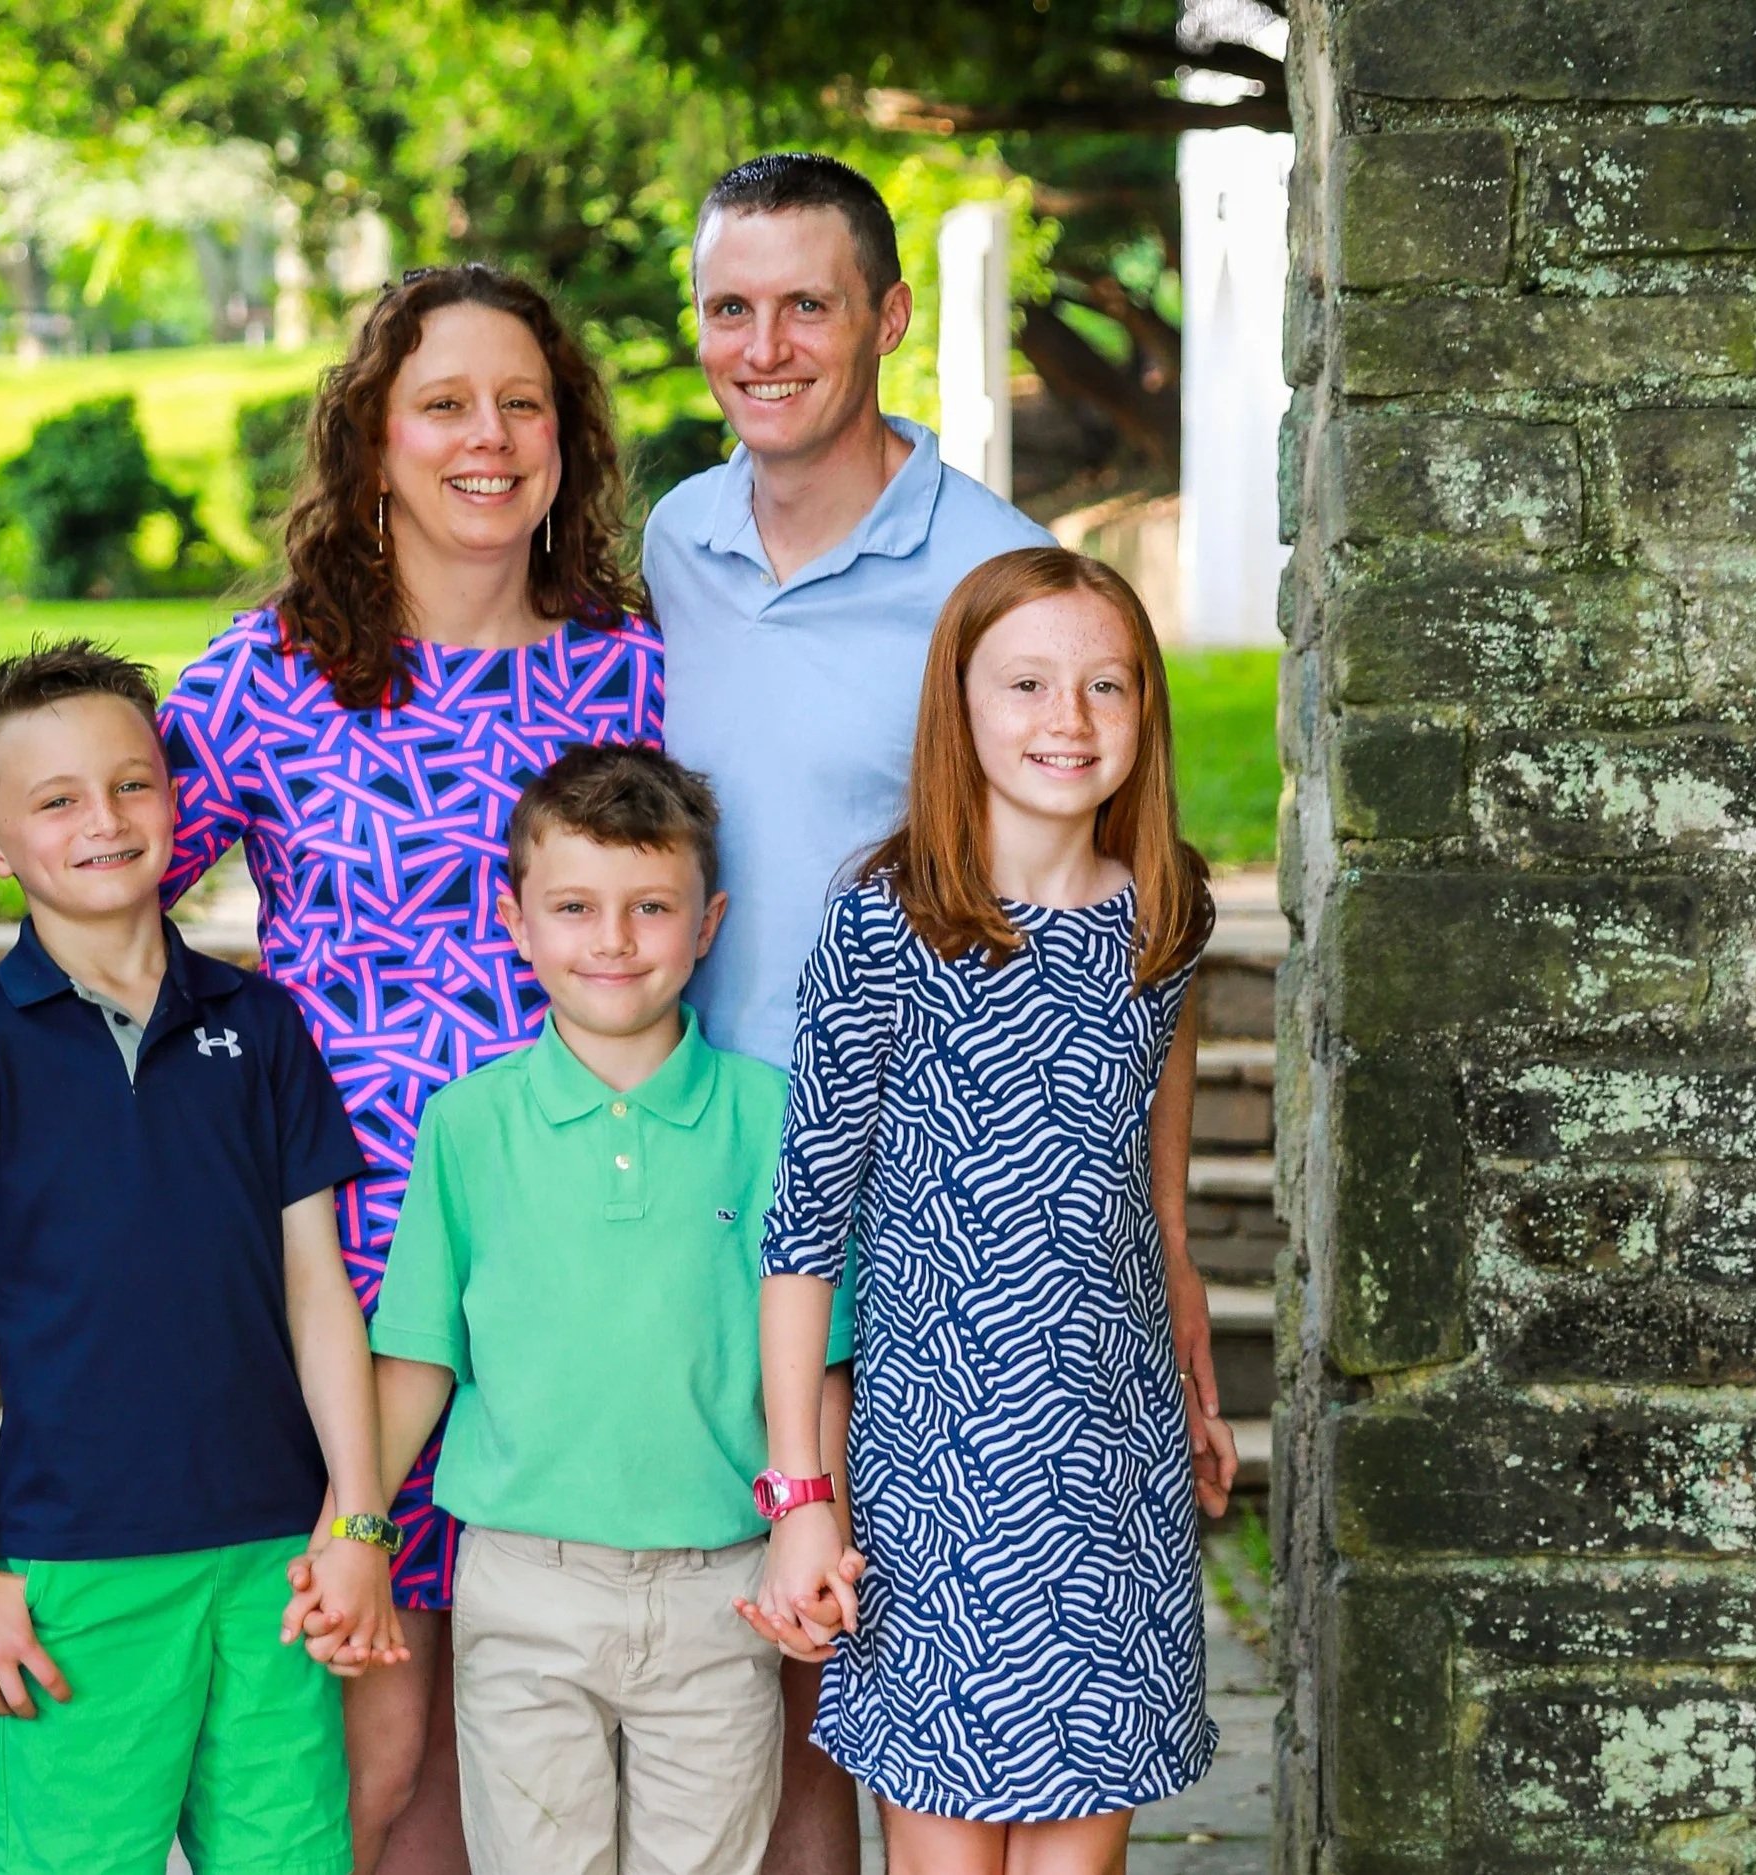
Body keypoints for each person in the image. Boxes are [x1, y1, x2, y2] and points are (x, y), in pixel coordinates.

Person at [0, 264, 661, 1873]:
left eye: (523, 403)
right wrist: (10, 1217)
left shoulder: (635, 665)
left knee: (550, 1716)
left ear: (566, 437)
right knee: (370, 1737)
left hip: (588, 1250)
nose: (488, 439)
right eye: (444, 404)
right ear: (371, 443)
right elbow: (90, 911)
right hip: (347, 1263)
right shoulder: (270, 677)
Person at [645, 153, 1202, 1875]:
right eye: (731, 307)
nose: (768, 342)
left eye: (808, 301)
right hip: (737, 1145)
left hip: (984, 1255)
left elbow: (1143, 1094)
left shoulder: (1002, 576)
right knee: (768, 1659)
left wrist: (1180, 1322)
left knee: (911, 1682)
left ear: (884, 318)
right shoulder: (679, 535)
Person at [0, 642, 402, 1875]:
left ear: (176, 799)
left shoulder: (261, 1027)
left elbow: (317, 1288)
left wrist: (357, 1525)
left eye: (133, 784)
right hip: (76, 1574)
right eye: (54, 801)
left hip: (278, 1568)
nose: (104, 821)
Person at [753, 548, 1240, 1874]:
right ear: (957, 704)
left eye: (1105, 685)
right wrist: (803, 1492)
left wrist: (1189, 1371)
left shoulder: (1167, 915)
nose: (1067, 721)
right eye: (1026, 683)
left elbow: (1150, 1168)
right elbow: (802, 1235)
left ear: (1145, 709)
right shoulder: (883, 927)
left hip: (1114, 1468)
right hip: (940, 1479)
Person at [349, 743, 854, 1875]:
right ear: (517, 921)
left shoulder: (771, 1117)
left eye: (651, 908)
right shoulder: (469, 1125)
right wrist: (354, 1526)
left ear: (708, 922)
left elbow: (819, 1353)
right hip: (525, 1580)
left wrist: (810, 1519)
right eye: (574, 907)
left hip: (720, 1579)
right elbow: (420, 1352)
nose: (614, 940)